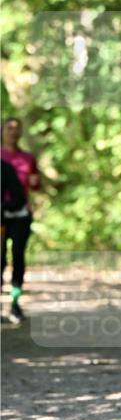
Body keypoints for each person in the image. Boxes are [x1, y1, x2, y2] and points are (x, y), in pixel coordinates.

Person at [1, 117, 41, 323]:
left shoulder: (27, 157)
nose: (13, 133)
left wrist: (36, 183)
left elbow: (34, 184)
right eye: (9, 128)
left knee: (18, 255)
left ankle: (15, 303)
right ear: (3, 131)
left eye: (17, 129)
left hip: (20, 213)